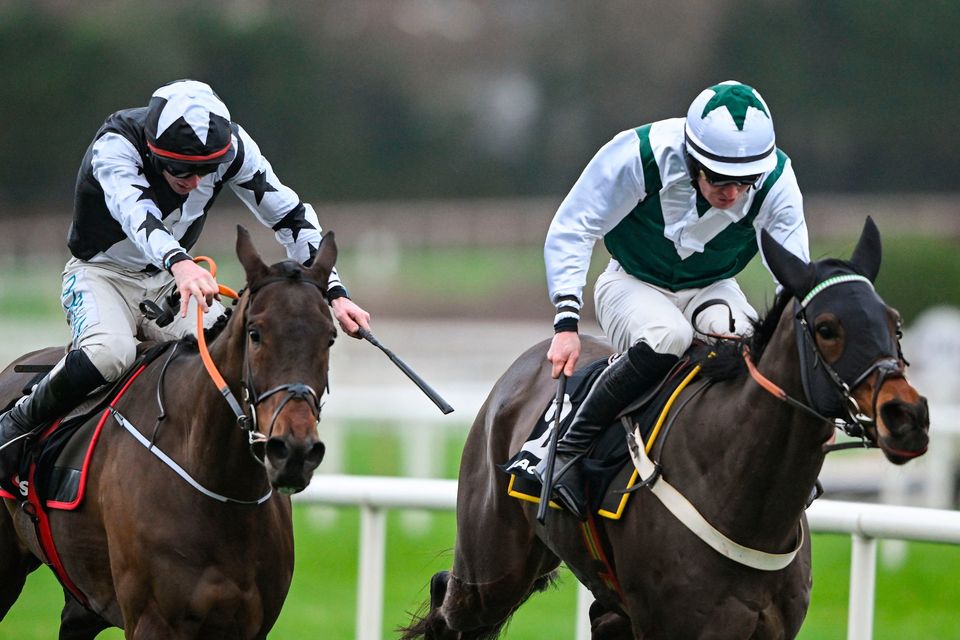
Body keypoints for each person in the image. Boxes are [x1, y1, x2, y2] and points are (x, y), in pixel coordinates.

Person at [0, 79, 371, 479]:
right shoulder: (115, 145)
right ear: (154, 149)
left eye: (206, 171)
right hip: (101, 275)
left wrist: (334, 290)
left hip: (170, 280)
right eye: (182, 171)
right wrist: (181, 263)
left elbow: (289, 215)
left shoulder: (233, 147)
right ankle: (15, 427)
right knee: (109, 354)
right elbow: (138, 215)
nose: (196, 182)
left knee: (232, 354)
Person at [542, 80, 809, 520]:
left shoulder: (777, 181)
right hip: (631, 282)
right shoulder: (639, 155)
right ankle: (570, 449)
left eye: (745, 181)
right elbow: (574, 225)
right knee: (669, 334)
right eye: (721, 179)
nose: (733, 193)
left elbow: (794, 273)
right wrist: (566, 322)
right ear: (692, 160)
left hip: (713, 286)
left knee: (749, 347)